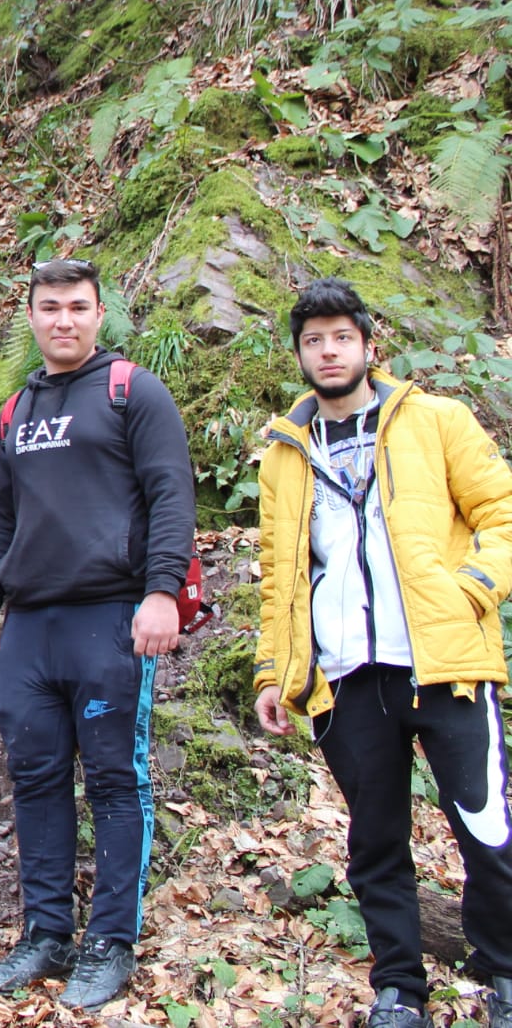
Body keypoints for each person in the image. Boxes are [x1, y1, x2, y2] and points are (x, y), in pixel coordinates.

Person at [253, 278, 512, 1028]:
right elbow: (279, 576)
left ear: (369, 345)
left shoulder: (436, 420)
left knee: (486, 828)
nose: (328, 351)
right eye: (313, 341)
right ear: (299, 355)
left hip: (443, 664)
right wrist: (275, 671)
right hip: (344, 677)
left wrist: (473, 588)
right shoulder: (285, 455)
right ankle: (399, 989)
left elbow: (501, 510)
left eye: (342, 337)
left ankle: (504, 973)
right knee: (375, 843)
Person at [0, 258, 196, 1008]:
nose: (63, 320)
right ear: (31, 316)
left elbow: (171, 493)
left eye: (77, 307)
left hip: (110, 616)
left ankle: (111, 941)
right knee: (35, 778)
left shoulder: (133, 391)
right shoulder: (16, 411)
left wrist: (161, 591)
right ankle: (46, 933)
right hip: (30, 626)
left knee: (115, 779)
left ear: (99, 314)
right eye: (49, 307)